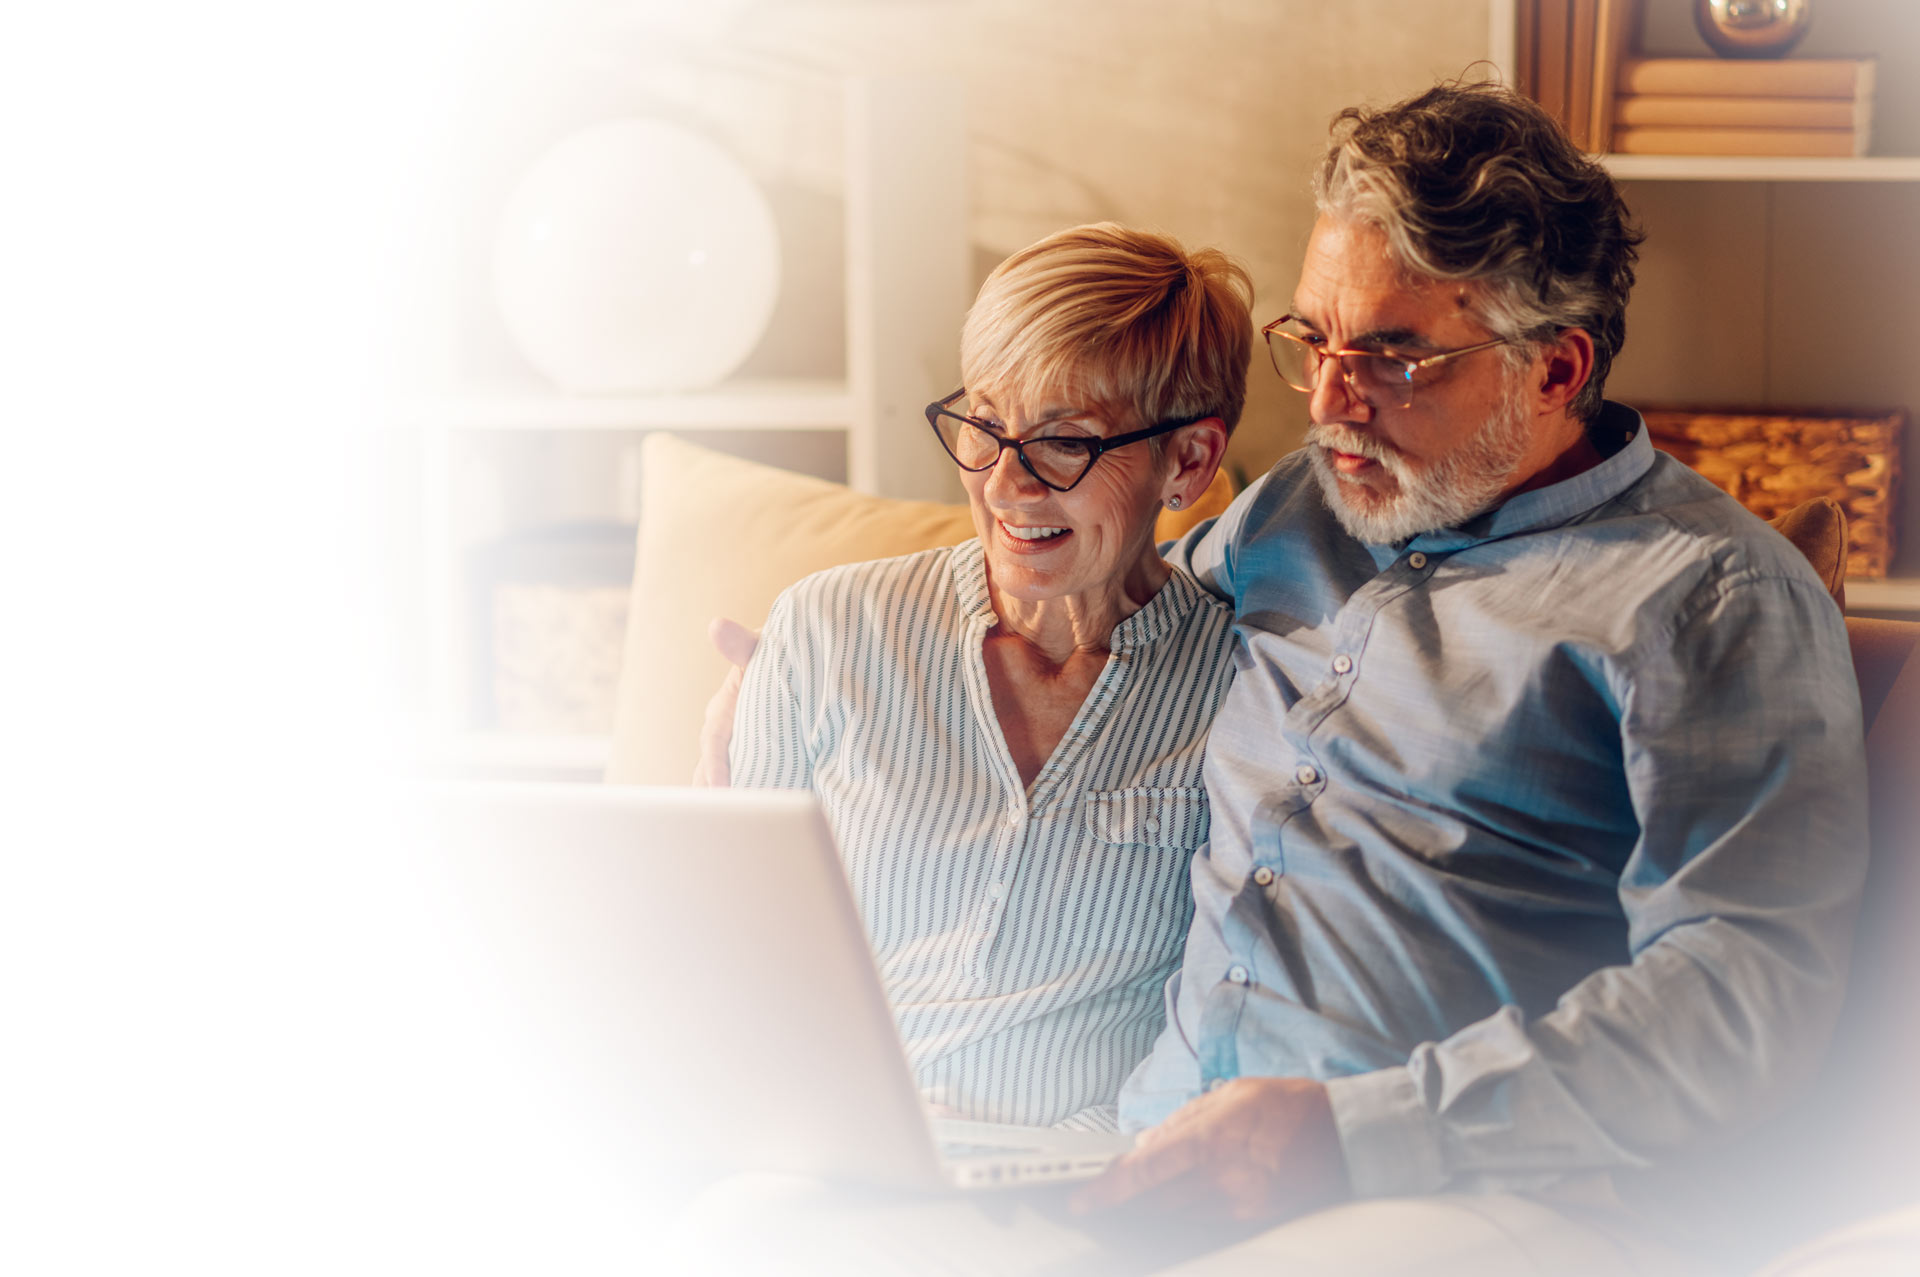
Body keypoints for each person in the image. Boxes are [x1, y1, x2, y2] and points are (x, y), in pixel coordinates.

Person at [683, 80, 1870, 1276]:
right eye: (1314, 341)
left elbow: (1746, 998)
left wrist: (1357, 1134)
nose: (1332, 403)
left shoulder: (1709, 597)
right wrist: (813, 673)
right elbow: (1094, 568)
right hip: (1144, 1163)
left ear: (1555, 370)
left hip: (1459, 1187)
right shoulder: (1304, 504)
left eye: (1395, 356)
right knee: (742, 1232)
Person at [724, 222, 1250, 1128]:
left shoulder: (1245, 689)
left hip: (1086, 1175)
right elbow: (733, 961)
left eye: (1065, 441)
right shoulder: (826, 629)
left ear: (1190, 460)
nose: (1006, 484)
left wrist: (1082, 1173)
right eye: (985, 425)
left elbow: (1228, 1019)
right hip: (825, 1146)